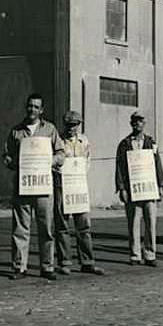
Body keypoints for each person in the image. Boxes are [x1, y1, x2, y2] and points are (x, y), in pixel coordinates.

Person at [3, 93, 65, 281]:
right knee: (21, 228)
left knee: (46, 227)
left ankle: (47, 266)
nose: (32, 110)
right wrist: (10, 161)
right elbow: (8, 155)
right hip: (23, 186)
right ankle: (19, 267)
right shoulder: (16, 131)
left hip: (44, 187)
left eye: (36, 107)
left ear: (42, 110)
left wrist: (49, 161)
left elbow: (61, 153)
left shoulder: (50, 129)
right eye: (30, 106)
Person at [54, 110, 104, 275]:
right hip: (62, 184)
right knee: (62, 225)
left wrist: (78, 174)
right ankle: (65, 262)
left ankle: (87, 261)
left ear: (79, 125)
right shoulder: (58, 140)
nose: (71, 129)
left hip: (79, 184)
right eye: (69, 125)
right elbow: (54, 162)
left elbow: (87, 160)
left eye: (75, 125)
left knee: (83, 225)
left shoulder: (84, 141)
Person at [115, 111, 163, 266]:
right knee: (134, 222)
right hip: (133, 189)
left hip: (149, 188)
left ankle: (150, 254)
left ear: (144, 124)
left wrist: (161, 185)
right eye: (135, 121)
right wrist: (122, 188)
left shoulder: (151, 143)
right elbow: (119, 167)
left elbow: (157, 163)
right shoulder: (124, 144)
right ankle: (135, 254)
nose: (138, 124)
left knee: (151, 221)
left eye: (141, 121)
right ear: (131, 123)